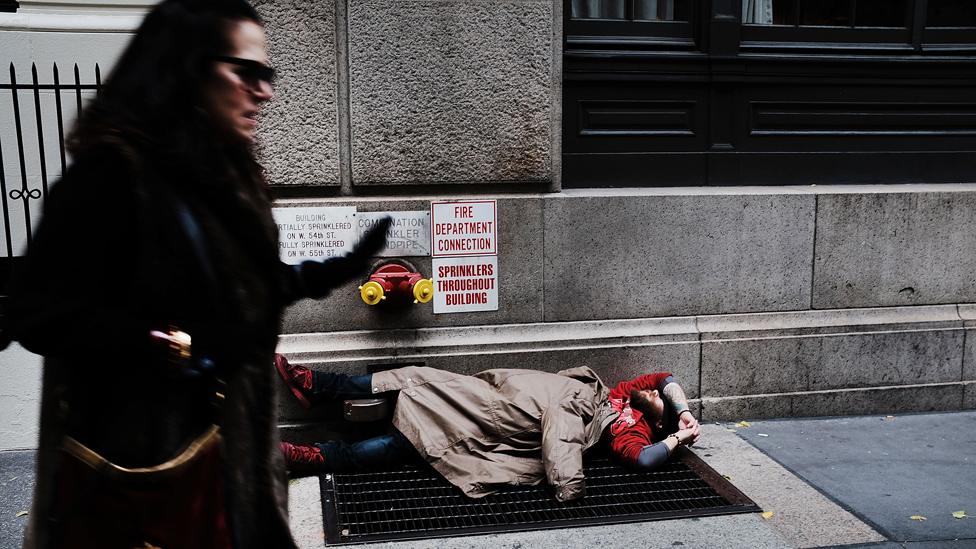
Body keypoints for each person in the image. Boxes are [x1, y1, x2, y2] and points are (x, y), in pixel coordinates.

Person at [3, 1, 390, 547]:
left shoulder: (225, 175)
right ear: (189, 68)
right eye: (246, 72)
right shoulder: (112, 174)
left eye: (267, 75)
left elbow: (244, 290)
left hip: (234, 458)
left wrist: (334, 270)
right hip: (148, 476)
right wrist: (170, 344)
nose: (265, 92)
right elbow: (34, 313)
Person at [275, 355, 701, 502]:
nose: (659, 391)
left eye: (662, 402)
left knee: (409, 442)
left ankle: (310, 457)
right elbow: (664, 377)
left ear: (653, 419)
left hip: (486, 422)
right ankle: (317, 386)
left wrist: (677, 438)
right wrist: (682, 410)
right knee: (410, 376)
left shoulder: (621, 427)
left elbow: (638, 458)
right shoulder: (622, 393)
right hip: (485, 394)